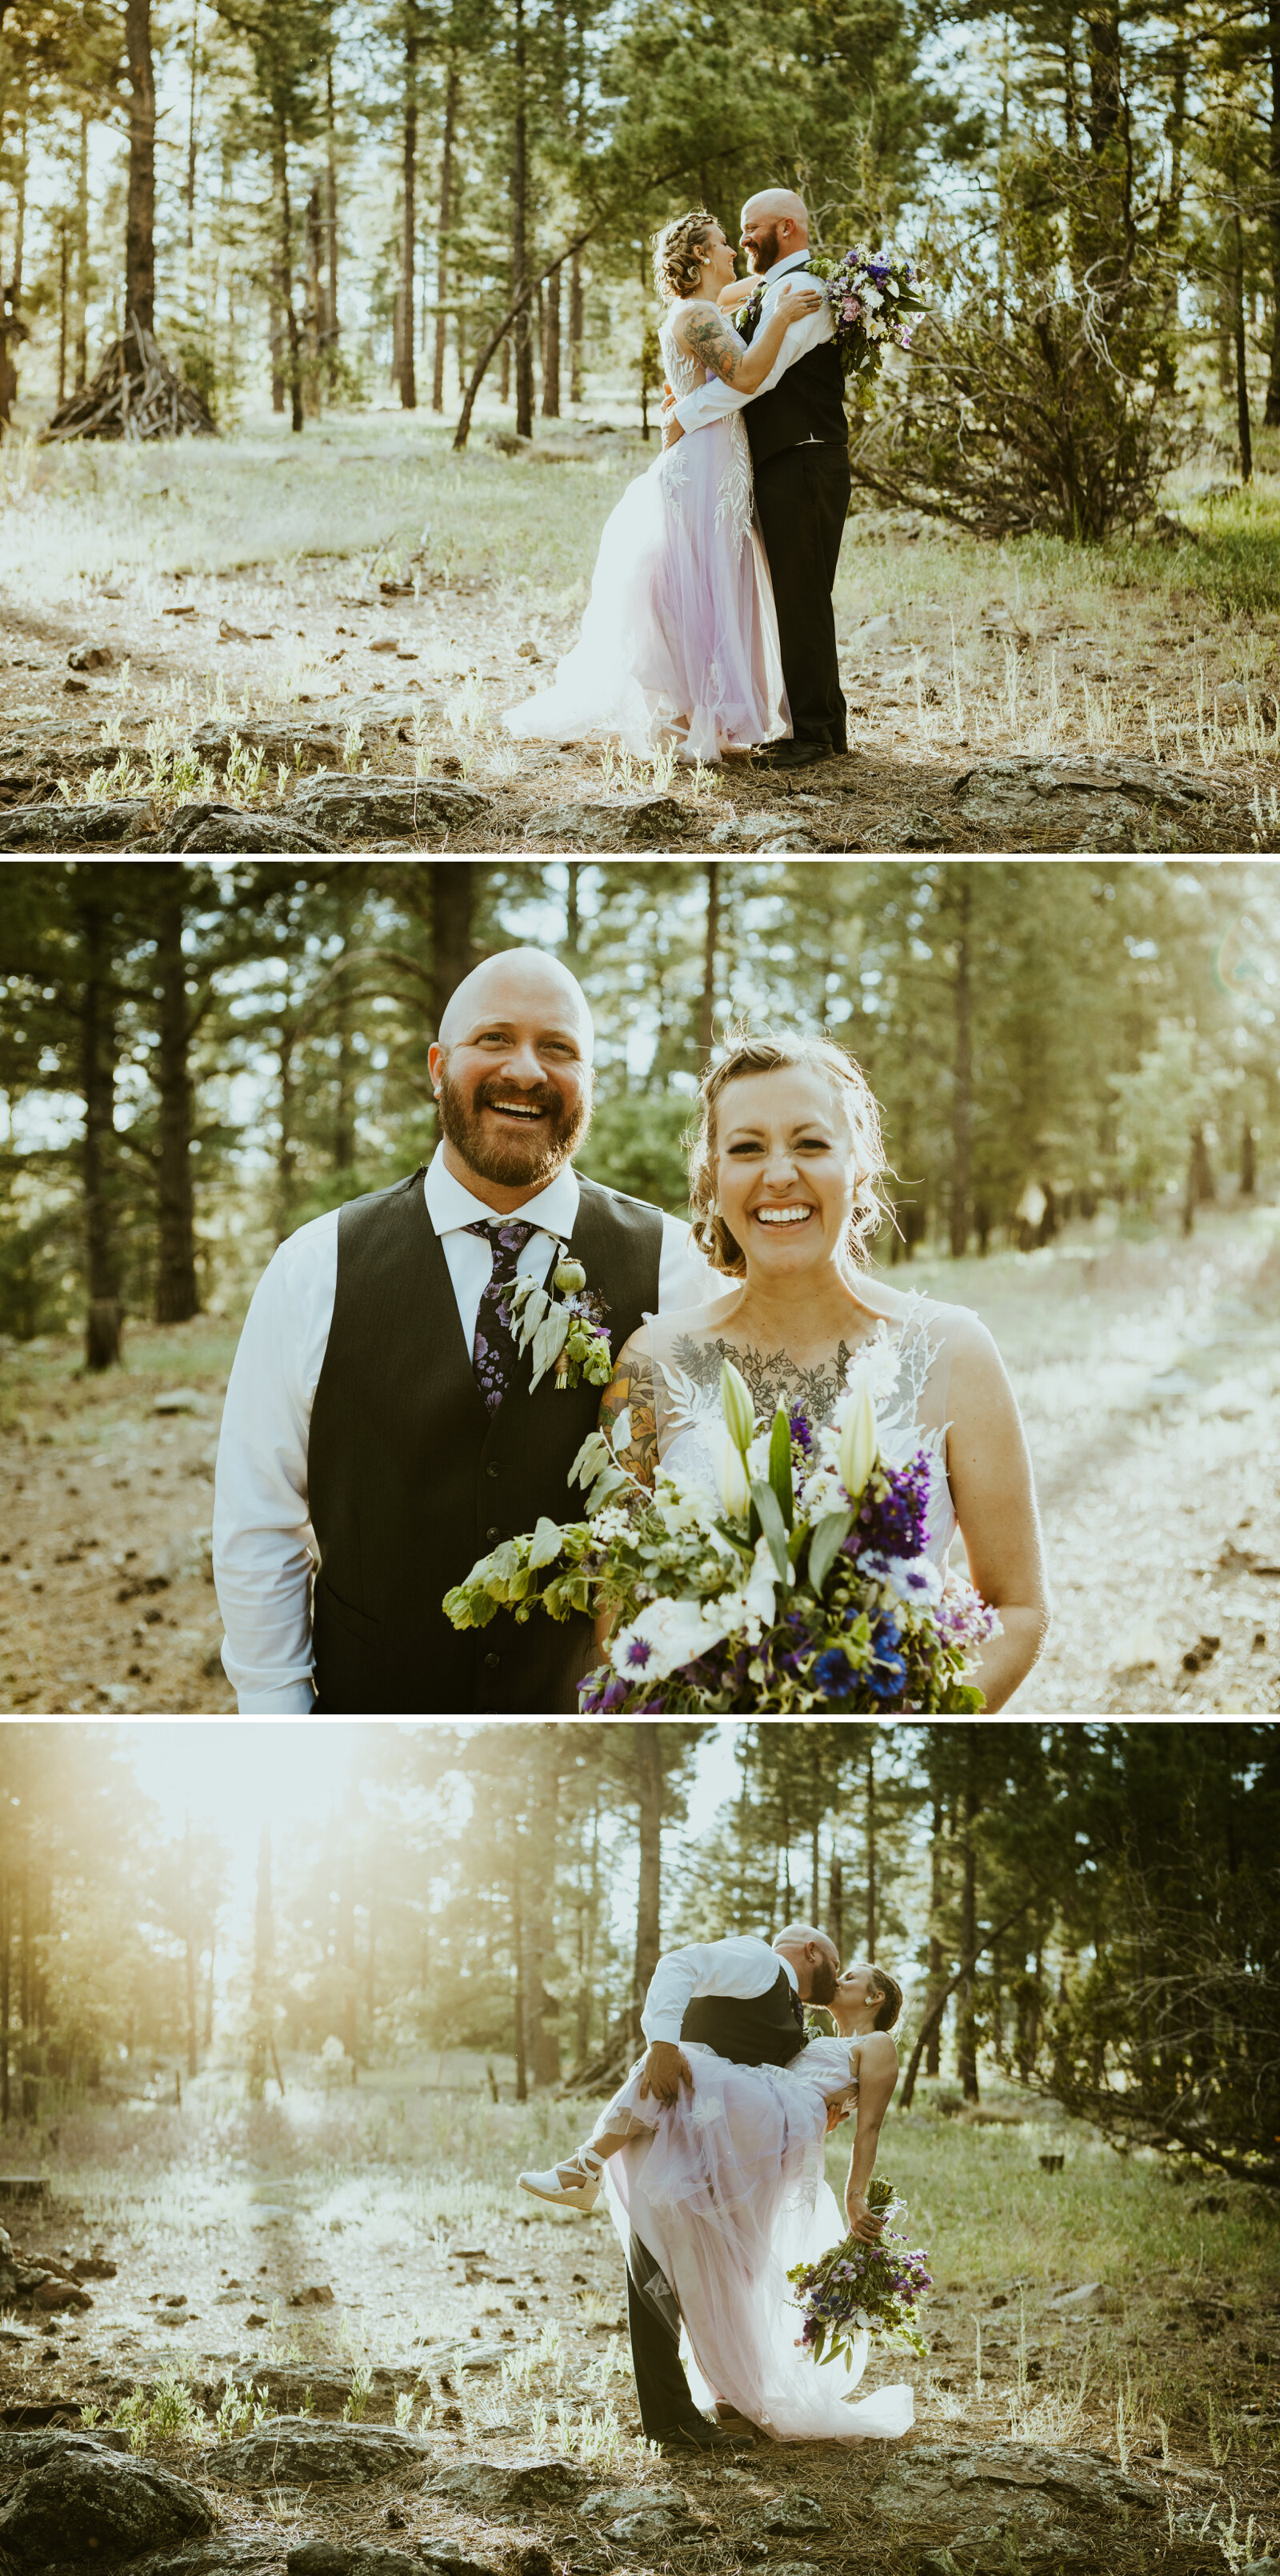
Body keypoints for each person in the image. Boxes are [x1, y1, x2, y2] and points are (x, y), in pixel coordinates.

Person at [211, 947, 709, 1715]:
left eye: (559, 1048)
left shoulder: (677, 1269)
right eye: (495, 1039)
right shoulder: (314, 1269)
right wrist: (280, 1721)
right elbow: (259, 1524)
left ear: (590, 1083)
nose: (526, 1071)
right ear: (438, 1065)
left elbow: (703, 1521)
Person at [598, 1024, 1050, 1711]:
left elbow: (1017, 1609)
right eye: (747, 1148)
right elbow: (615, 1614)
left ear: (858, 1164)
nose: (779, 1173)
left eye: (810, 1144)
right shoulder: (647, 1368)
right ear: (713, 1176)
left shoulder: (957, 1352)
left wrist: (912, 1715)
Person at [517, 1927, 914, 2448]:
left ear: (875, 1996)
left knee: (690, 2066)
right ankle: (731, 2398)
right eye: (839, 1967)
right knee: (729, 2267)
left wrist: (854, 2193)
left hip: (770, 2128)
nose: (840, 1977)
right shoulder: (807, 2030)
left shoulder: (875, 2043)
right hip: (753, 2132)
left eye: (852, 1974)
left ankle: (584, 2164)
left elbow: (871, 2126)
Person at [505, 211, 822, 762]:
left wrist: (817, 280)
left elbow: (755, 283)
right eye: (724, 244)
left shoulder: (705, 306)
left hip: (720, 458)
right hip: (702, 465)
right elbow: (745, 376)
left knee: (715, 579)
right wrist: (782, 318)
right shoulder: (697, 314)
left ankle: (711, 715)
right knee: (698, 584)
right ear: (701, 255)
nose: (733, 251)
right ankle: (689, 717)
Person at [663, 188, 851, 773]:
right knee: (788, 595)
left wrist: (684, 413)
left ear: (788, 228)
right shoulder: (772, 288)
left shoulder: (805, 291)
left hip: (803, 455)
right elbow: (728, 305)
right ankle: (812, 724)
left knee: (799, 595)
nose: (741, 242)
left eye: (750, 230)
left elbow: (758, 378)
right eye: (731, 235)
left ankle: (816, 733)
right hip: (764, 461)